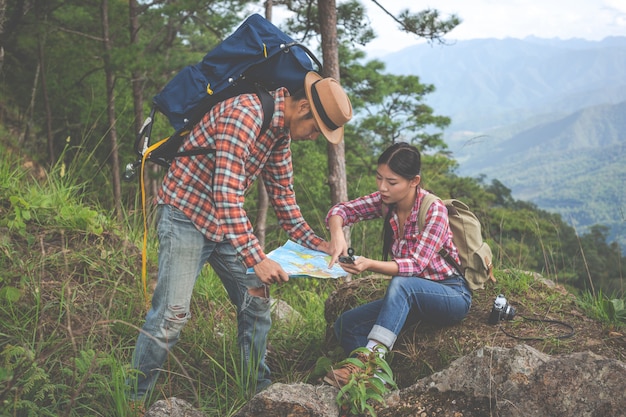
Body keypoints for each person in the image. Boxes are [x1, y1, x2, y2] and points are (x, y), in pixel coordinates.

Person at [128, 71, 353, 404]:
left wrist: (317, 244)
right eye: (316, 130)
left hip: (225, 226)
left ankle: (257, 397)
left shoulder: (279, 134)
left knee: (256, 304)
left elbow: (284, 199)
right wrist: (257, 259)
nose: (314, 138)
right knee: (171, 316)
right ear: (303, 107)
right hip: (186, 215)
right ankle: (133, 400)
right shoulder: (243, 115)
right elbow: (227, 194)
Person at [323, 142, 472, 388]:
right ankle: (377, 382)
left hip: (451, 294)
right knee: (346, 325)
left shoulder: (433, 210)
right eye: (379, 178)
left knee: (403, 283)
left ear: (414, 181)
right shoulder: (387, 202)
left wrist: (368, 264)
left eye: (391, 182)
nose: (382, 187)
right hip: (411, 296)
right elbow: (342, 210)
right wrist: (337, 233)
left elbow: (414, 266)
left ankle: (369, 362)